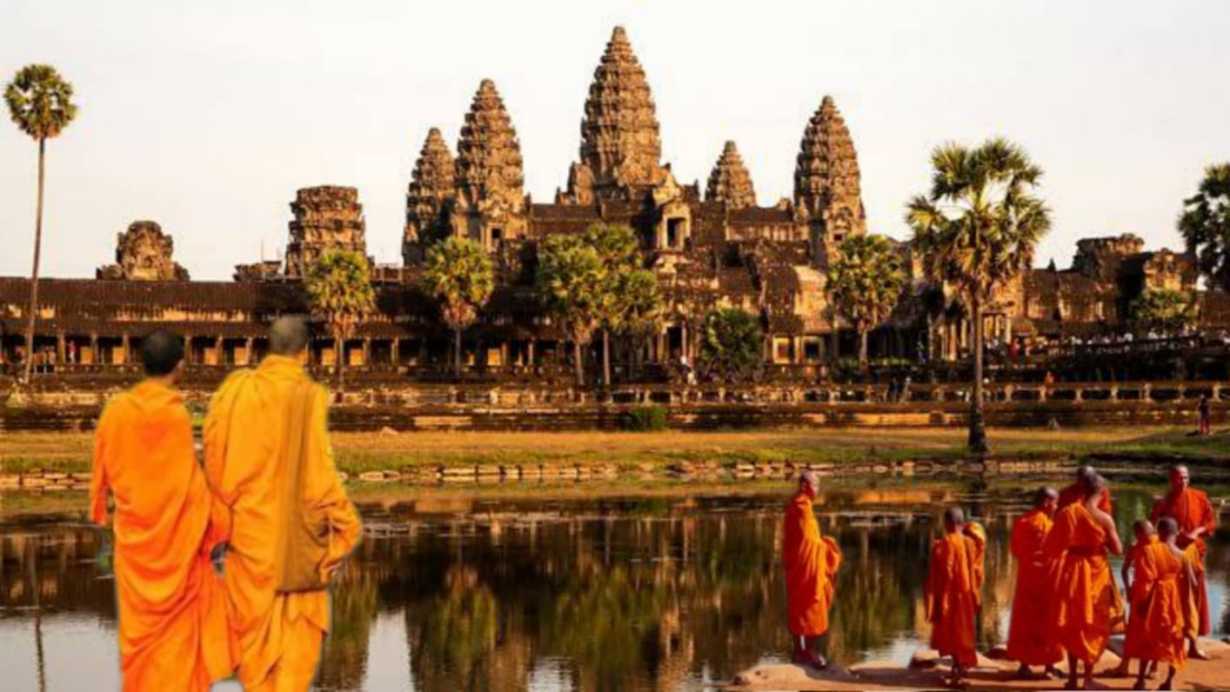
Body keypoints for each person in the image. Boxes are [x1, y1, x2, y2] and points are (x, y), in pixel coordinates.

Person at [205, 316, 362, 691]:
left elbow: (214, 463)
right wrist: (344, 527)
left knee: (257, 665)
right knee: (292, 668)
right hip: (299, 550)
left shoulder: (234, 392)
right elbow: (319, 477)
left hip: (250, 545)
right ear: (305, 353)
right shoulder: (305, 397)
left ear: (267, 349)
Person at [89, 330, 234, 691]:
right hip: (176, 551)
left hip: (136, 545)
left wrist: (101, 507)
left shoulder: (117, 410)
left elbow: (103, 470)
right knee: (179, 648)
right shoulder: (173, 415)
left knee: (142, 645)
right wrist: (220, 522)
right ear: (180, 366)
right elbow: (189, 486)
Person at [1045, 474, 1123, 690]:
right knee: (1093, 624)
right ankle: (1088, 678)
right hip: (1096, 571)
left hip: (1072, 571)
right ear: (1102, 492)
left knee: (1073, 623)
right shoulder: (1104, 518)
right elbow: (1117, 550)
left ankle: (1072, 679)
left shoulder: (1067, 512)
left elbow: (1051, 547)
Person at [1149, 465, 1216, 659]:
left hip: (1193, 554)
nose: (1183, 482)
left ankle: (1194, 644)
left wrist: (1197, 532)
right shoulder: (1164, 501)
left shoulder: (1200, 497)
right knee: (1170, 603)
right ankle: (1165, 644)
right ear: (1171, 479)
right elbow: (1153, 525)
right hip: (1171, 557)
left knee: (1193, 600)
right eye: (1179, 478)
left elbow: (1210, 523)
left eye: (1186, 478)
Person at [782, 471, 842, 670]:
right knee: (810, 605)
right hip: (806, 566)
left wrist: (820, 545)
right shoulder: (802, 507)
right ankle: (808, 651)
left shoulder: (796, 504)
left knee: (799, 606)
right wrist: (826, 547)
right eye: (816, 485)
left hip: (799, 564)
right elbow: (807, 541)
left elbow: (804, 539)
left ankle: (800, 651)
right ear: (805, 486)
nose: (818, 490)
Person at [1123, 518, 1192, 691]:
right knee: (1175, 640)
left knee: (1148, 638)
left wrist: (1142, 603)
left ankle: (1140, 681)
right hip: (1174, 600)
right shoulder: (1183, 555)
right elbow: (1193, 583)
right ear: (1176, 533)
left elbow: (1147, 580)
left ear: (1158, 532)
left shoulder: (1150, 550)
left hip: (1155, 600)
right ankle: (1169, 682)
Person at [1006, 487, 1062, 679]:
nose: (1057, 507)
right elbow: (1057, 552)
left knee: (1025, 621)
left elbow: (1015, 550)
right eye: (1055, 502)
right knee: (1048, 621)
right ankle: (1049, 667)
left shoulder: (1022, 521)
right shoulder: (1047, 526)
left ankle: (1024, 665)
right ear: (1047, 502)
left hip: (1027, 581)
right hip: (1047, 581)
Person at [925, 507, 982, 688]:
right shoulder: (970, 543)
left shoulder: (943, 545)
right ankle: (960, 667)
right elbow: (977, 568)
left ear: (947, 523)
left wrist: (933, 595)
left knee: (953, 631)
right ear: (962, 523)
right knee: (964, 629)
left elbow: (942, 573)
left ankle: (957, 671)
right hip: (966, 593)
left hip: (949, 595)